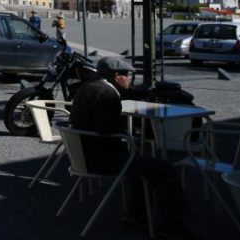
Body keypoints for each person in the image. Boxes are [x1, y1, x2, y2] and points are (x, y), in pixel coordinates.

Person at [71, 56, 194, 238]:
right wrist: (129, 136)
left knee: (138, 161)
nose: (129, 79)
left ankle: (137, 214)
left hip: (83, 156)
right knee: (165, 169)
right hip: (103, 160)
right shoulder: (108, 94)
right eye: (127, 75)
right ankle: (174, 226)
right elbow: (108, 130)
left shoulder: (85, 89)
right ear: (116, 76)